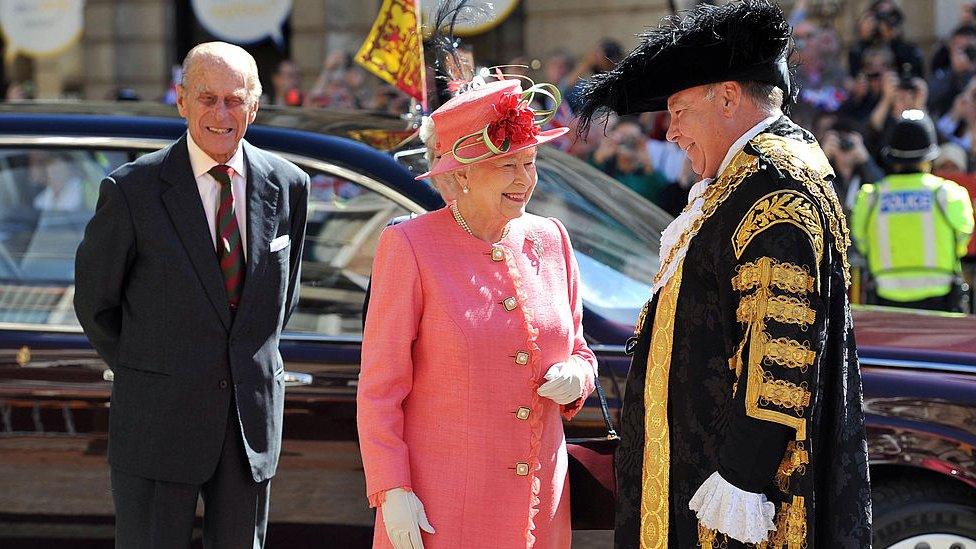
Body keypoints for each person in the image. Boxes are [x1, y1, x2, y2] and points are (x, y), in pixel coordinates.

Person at [575, 1, 871, 547]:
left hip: (733, 509)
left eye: (680, 111)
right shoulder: (743, 179)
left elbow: (779, 359)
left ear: (729, 97)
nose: (671, 133)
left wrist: (739, 482)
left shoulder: (774, 189)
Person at [74, 42, 309, 548]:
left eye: (234, 99)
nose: (221, 114)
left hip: (248, 431)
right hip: (158, 427)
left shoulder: (289, 185)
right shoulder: (132, 189)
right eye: (207, 99)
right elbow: (96, 304)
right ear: (181, 101)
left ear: (255, 104)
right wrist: (156, 369)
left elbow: (279, 300)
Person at [358, 77, 597, 549]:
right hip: (443, 506)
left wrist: (577, 374)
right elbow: (380, 389)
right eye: (507, 165)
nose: (524, 180)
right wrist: (392, 489)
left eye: (529, 163)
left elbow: (579, 349)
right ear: (459, 174)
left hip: (540, 504)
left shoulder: (552, 238)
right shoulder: (410, 246)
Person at [851, 110, 975, 312]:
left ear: (892, 157)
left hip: (885, 299)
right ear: (930, 157)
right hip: (940, 300)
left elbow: (862, 243)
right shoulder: (948, 194)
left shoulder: (871, 197)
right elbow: (962, 239)